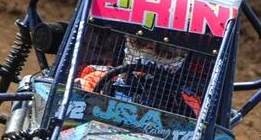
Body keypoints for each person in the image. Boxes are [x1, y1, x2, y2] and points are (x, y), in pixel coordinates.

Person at [74, 34, 203, 117]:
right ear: (128, 41)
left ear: (182, 56)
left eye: (166, 48)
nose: (149, 51)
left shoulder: (186, 102)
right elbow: (70, 122)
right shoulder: (97, 79)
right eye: (142, 41)